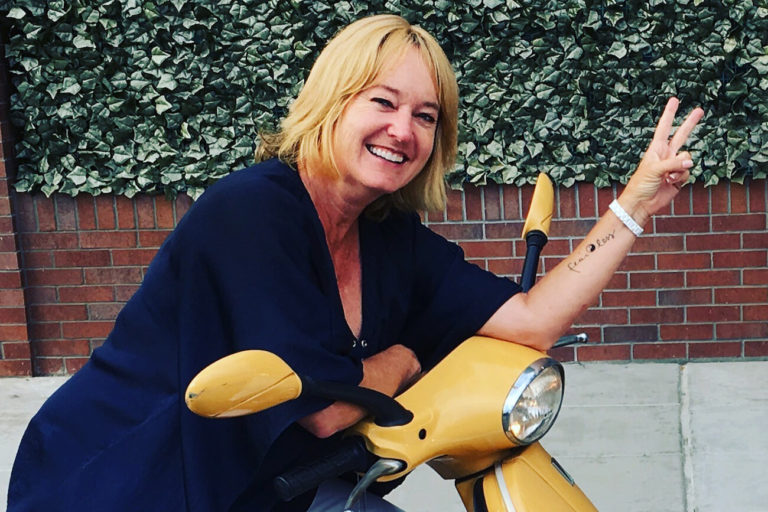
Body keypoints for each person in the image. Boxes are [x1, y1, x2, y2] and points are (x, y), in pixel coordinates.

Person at [7, 14, 703, 512]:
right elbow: (325, 410)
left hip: (272, 483)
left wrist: (635, 203)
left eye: (426, 116)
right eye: (384, 102)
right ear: (334, 103)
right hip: (129, 480)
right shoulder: (251, 214)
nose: (403, 130)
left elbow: (530, 320)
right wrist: (405, 359)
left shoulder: (387, 235)